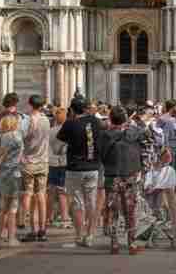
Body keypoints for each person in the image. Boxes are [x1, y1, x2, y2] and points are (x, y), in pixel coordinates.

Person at [99, 106, 147, 255]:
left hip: (112, 175)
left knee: (113, 210)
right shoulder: (133, 133)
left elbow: (101, 155)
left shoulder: (104, 136)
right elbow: (146, 135)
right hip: (129, 176)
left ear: (111, 119)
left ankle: (114, 243)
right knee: (130, 210)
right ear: (125, 119)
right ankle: (131, 244)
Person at [57, 97, 103, 247]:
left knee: (77, 203)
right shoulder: (96, 122)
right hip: (93, 167)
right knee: (91, 202)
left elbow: (59, 142)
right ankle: (90, 235)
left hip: (75, 168)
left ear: (72, 110)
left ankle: (79, 235)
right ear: (86, 108)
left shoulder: (70, 123)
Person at [18, 95, 50, 242]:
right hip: (43, 162)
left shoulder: (28, 120)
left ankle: (28, 224)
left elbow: (22, 138)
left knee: (29, 194)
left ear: (30, 105)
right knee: (41, 195)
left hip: (29, 161)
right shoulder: (46, 120)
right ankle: (42, 230)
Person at [0, 114, 23, 245]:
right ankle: (11, 237)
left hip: (2, 173)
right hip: (15, 173)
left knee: (4, 206)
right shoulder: (18, 136)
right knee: (13, 207)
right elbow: (21, 155)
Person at [47, 106, 70, 229]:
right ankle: (65, 217)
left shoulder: (51, 131)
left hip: (52, 162)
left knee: (50, 191)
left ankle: (49, 217)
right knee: (62, 191)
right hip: (64, 162)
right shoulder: (68, 130)